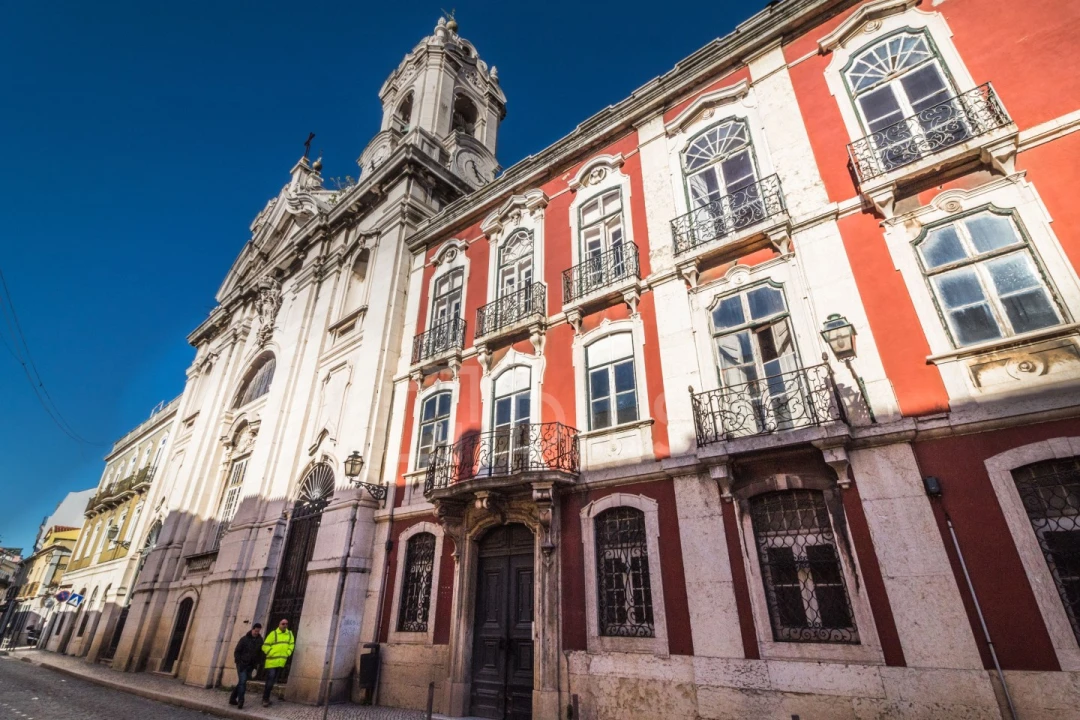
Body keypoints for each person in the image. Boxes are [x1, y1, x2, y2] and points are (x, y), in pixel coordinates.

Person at [260, 618, 295, 707]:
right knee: (270, 680)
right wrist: (271, 652)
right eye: (283, 623)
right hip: (271, 662)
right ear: (279, 624)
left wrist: (288, 653)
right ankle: (265, 699)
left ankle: (265, 697)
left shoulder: (290, 634)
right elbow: (265, 646)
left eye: (286, 624)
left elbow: (291, 645)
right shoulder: (273, 634)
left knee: (272, 682)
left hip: (281, 662)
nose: (285, 625)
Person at [228, 623, 263, 710]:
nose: (256, 633)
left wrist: (257, 664)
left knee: (241, 682)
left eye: (258, 631)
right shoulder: (244, 639)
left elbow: (260, 653)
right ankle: (241, 700)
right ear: (252, 629)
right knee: (243, 681)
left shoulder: (260, 640)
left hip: (251, 665)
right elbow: (237, 651)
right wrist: (238, 661)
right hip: (242, 664)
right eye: (255, 631)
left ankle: (232, 698)